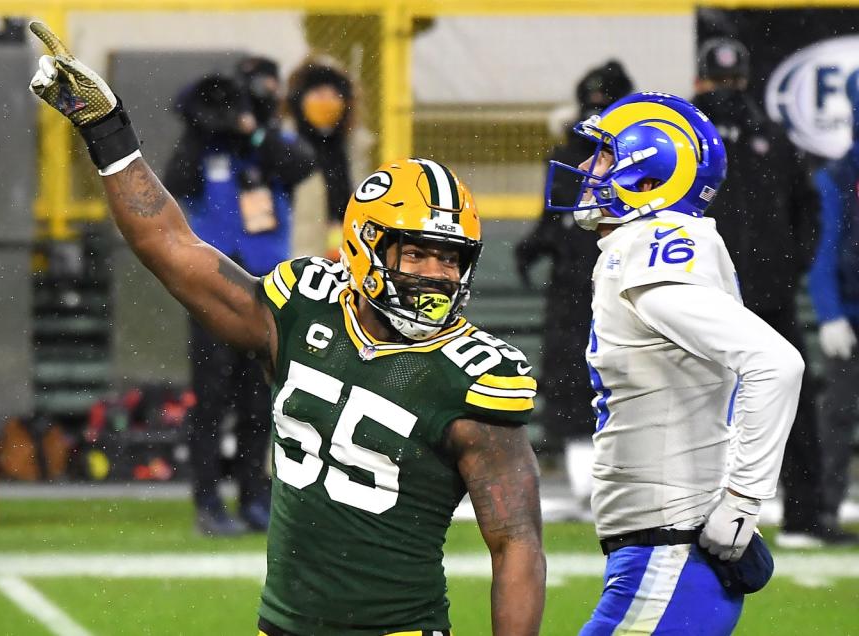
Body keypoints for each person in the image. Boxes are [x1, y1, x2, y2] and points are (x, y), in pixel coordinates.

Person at [28, 22, 546, 635]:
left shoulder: (474, 375)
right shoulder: (303, 308)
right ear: (365, 248)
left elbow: (516, 543)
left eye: (451, 256)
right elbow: (172, 247)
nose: (437, 273)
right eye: (417, 253)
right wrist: (106, 130)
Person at [545, 92, 804, 634]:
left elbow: (776, 364)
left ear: (648, 174)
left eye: (604, 156)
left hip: (669, 554)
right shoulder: (652, 243)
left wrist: (742, 501)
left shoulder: (648, 246)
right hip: (660, 549)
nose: (588, 168)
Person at [692, 37, 856, 548]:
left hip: (758, 297)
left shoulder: (769, 138)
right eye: (720, 84)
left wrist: (785, 266)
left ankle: (804, 514)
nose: (725, 92)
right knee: (706, 405)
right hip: (705, 299)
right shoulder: (686, 138)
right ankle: (694, 513)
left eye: (731, 83)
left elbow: (807, 210)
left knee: (793, 402)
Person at [163, 57, 317, 535]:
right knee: (211, 398)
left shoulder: (271, 143)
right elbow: (177, 182)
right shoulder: (200, 147)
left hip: (266, 285)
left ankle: (255, 497)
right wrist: (200, 125)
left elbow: (299, 167)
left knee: (259, 399)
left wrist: (252, 131)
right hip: (212, 285)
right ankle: (207, 502)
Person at [516, 59, 633, 515]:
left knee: (620, 378)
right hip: (577, 291)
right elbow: (554, 221)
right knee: (572, 379)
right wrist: (536, 245)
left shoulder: (641, 158)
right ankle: (588, 478)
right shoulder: (569, 159)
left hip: (622, 286)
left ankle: (616, 477)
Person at [808, 75, 859, 540]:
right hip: (853, 319)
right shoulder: (838, 179)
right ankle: (824, 510)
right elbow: (823, 249)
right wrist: (830, 314)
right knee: (838, 417)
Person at [286, 55, 355, 260]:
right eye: (318, 94)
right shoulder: (282, 146)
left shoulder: (355, 147)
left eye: (334, 95)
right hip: (296, 256)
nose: (327, 102)